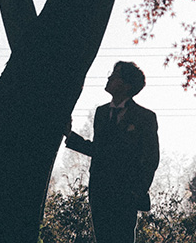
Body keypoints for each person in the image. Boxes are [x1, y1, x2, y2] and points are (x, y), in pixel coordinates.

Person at [65, 61, 160, 243]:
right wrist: (70, 136)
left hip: (126, 195)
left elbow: (151, 158)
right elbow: (99, 150)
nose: (109, 77)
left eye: (115, 75)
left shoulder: (145, 117)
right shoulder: (101, 113)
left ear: (127, 85)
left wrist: (136, 192)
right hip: (99, 192)